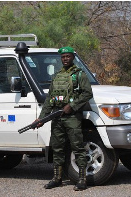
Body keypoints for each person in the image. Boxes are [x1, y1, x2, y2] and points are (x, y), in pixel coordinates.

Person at [35, 46, 93, 191]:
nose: (65, 59)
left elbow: (87, 93)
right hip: (57, 116)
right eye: (63, 57)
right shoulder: (56, 76)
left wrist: (72, 106)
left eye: (67, 56)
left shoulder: (79, 74)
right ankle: (57, 178)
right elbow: (49, 99)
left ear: (73, 57)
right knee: (57, 148)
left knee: (77, 147)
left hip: (72, 116)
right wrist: (41, 118)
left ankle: (82, 179)